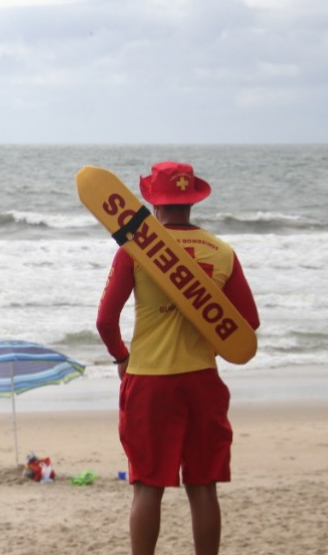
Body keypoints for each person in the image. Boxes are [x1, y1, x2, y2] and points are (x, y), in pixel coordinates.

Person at [95, 161, 260, 555]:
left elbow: (105, 320)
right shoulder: (221, 251)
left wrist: (121, 357)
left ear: (152, 201)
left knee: (148, 487)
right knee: (203, 486)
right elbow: (247, 323)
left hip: (149, 381)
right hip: (202, 379)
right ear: (192, 202)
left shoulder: (134, 251)